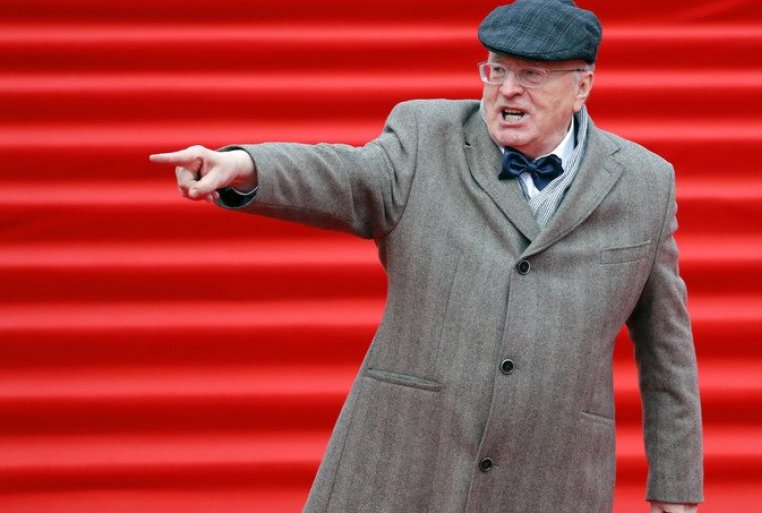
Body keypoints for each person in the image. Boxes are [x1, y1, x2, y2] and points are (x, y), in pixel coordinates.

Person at [149, 1, 703, 512]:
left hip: (550, 476)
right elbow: (348, 176)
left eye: (532, 75)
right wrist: (246, 166)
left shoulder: (644, 183)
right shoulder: (425, 136)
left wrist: (675, 487)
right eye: (497, 70)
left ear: (582, 85)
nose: (508, 90)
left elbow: (667, 347)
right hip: (405, 460)